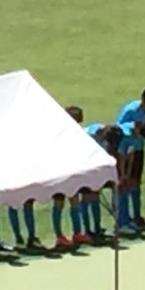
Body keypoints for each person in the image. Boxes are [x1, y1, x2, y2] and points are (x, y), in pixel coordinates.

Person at [117, 88, 145, 229]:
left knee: (136, 182)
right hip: (125, 149)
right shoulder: (130, 110)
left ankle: (137, 216)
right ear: (144, 100)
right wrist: (133, 129)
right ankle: (123, 219)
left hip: (138, 149)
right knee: (124, 183)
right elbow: (119, 128)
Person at [52, 106, 90, 247]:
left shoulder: (78, 134)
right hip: (60, 174)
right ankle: (59, 236)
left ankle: (77, 233)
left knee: (75, 201)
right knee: (59, 203)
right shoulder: (60, 134)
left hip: (73, 173)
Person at [114, 119, 145, 234]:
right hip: (114, 160)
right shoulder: (124, 134)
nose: (140, 138)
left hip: (124, 162)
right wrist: (122, 174)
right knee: (121, 190)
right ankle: (121, 223)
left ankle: (127, 220)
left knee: (126, 188)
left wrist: (128, 173)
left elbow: (131, 154)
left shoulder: (136, 135)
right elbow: (121, 156)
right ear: (138, 128)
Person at [82, 121, 123, 238]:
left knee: (96, 196)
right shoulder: (88, 135)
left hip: (99, 167)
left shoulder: (114, 135)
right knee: (87, 197)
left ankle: (97, 227)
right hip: (86, 167)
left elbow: (113, 154)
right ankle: (87, 230)